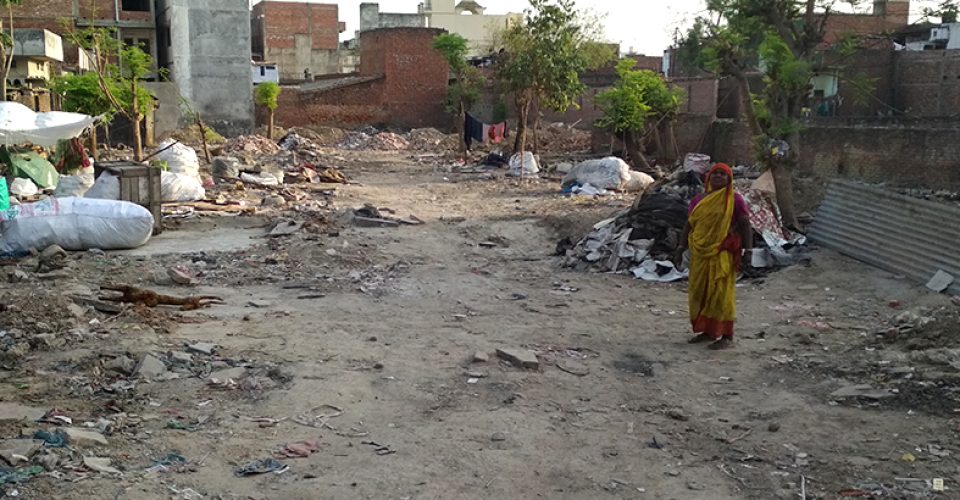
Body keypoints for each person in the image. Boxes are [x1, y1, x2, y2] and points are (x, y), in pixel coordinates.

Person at [676, 163, 753, 350]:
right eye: (715, 174)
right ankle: (708, 331)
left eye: (723, 174)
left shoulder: (734, 200)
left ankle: (727, 335)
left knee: (721, 294)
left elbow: (745, 225)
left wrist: (748, 251)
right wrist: (680, 247)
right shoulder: (698, 200)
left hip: (723, 251)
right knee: (701, 292)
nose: (718, 177)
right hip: (700, 253)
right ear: (708, 178)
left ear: (729, 179)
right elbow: (689, 225)